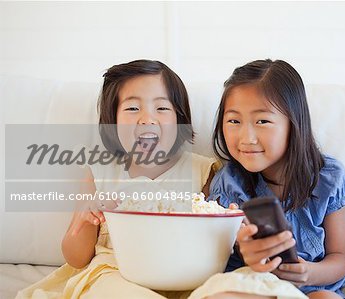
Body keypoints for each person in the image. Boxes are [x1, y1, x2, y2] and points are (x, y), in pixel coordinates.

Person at [17, 60, 306, 299]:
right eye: (132, 108)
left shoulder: (204, 171)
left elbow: (219, 239)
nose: (147, 119)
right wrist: (85, 216)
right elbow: (76, 258)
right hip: (116, 272)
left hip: (187, 275)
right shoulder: (99, 171)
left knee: (239, 287)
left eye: (162, 108)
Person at [209, 59, 345, 299]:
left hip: (313, 288)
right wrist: (244, 247)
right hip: (254, 284)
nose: (247, 138)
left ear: (294, 124)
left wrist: (308, 272)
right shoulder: (228, 184)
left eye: (262, 121)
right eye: (234, 121)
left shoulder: (329, 177)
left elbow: (339, 259)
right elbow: (219, 260)